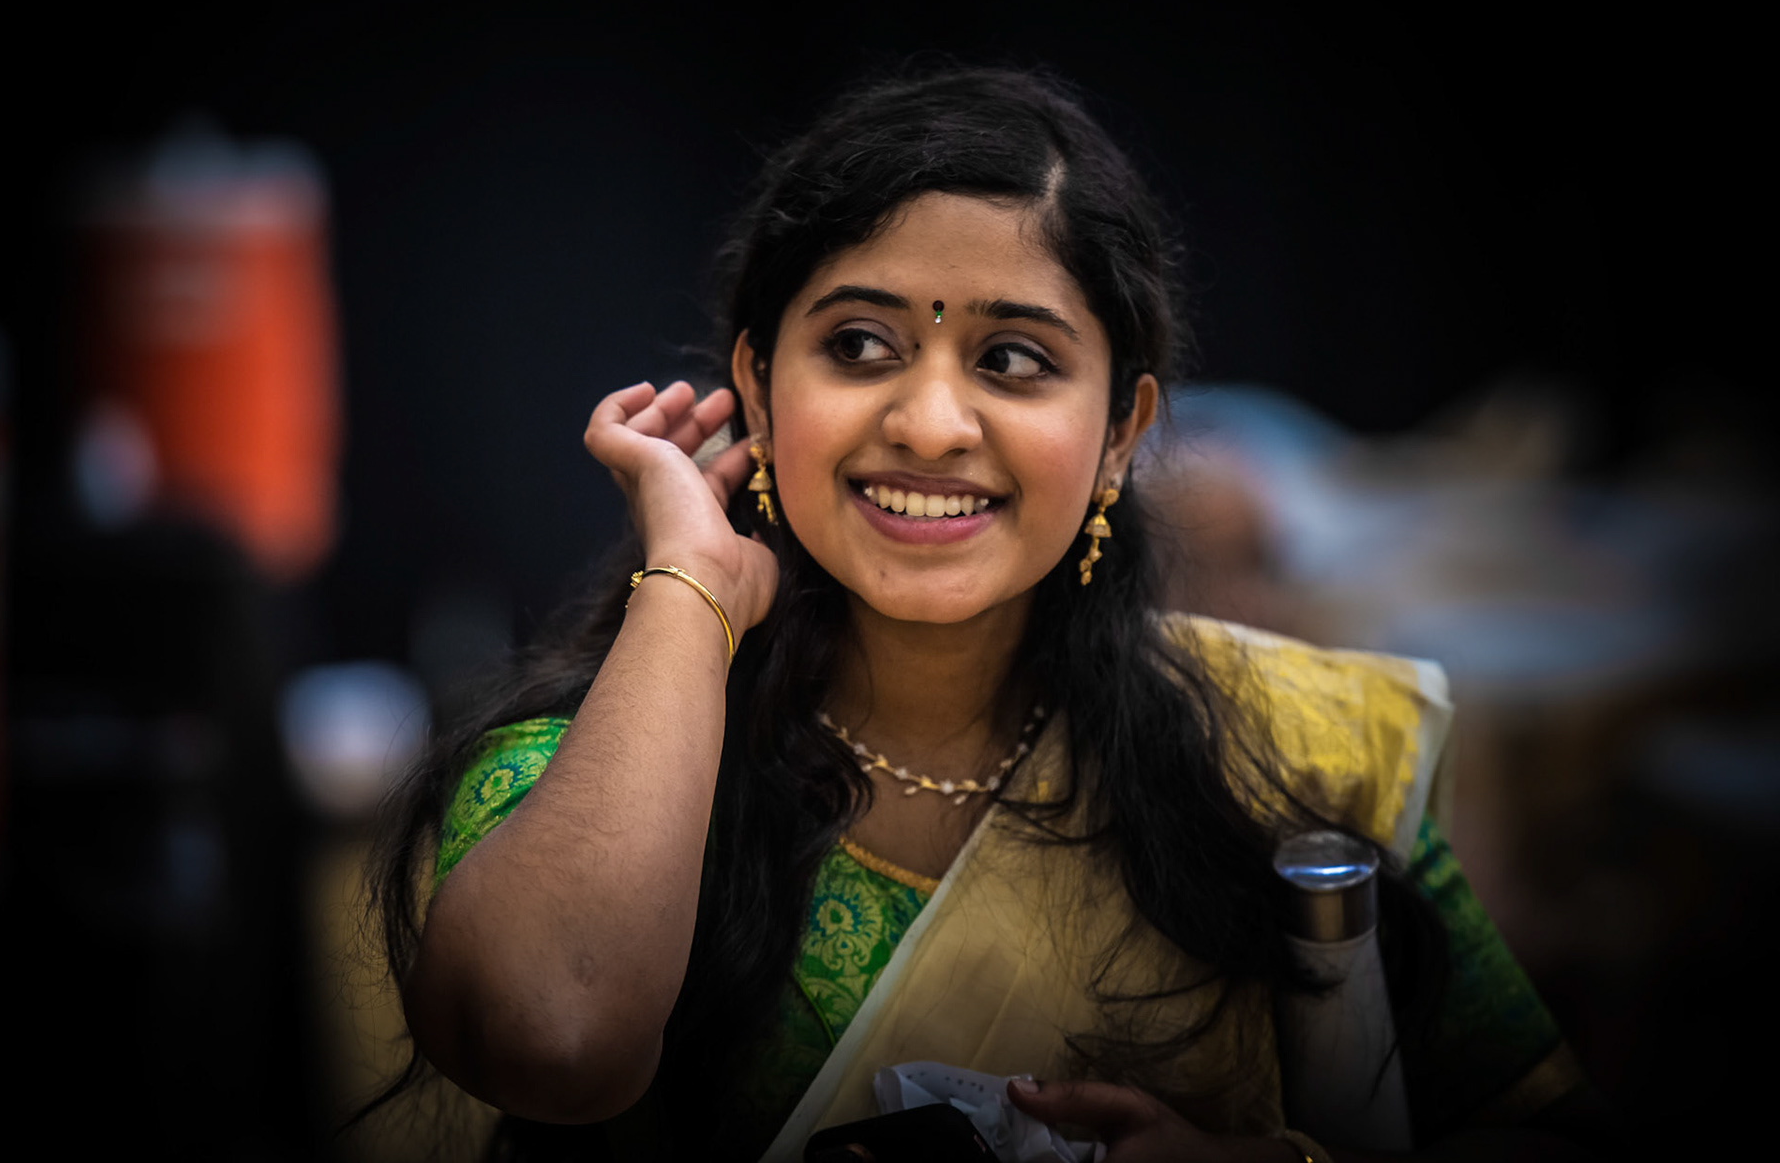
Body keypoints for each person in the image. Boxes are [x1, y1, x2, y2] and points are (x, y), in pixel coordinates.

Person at [367, 67, 1612, 1161]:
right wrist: (695, 583)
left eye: (1014, 358)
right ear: (757, 380)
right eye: (860, 344)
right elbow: (552, 1037)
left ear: (1119, 432)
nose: (930, 423)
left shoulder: (1293, 760)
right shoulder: (594, 765)